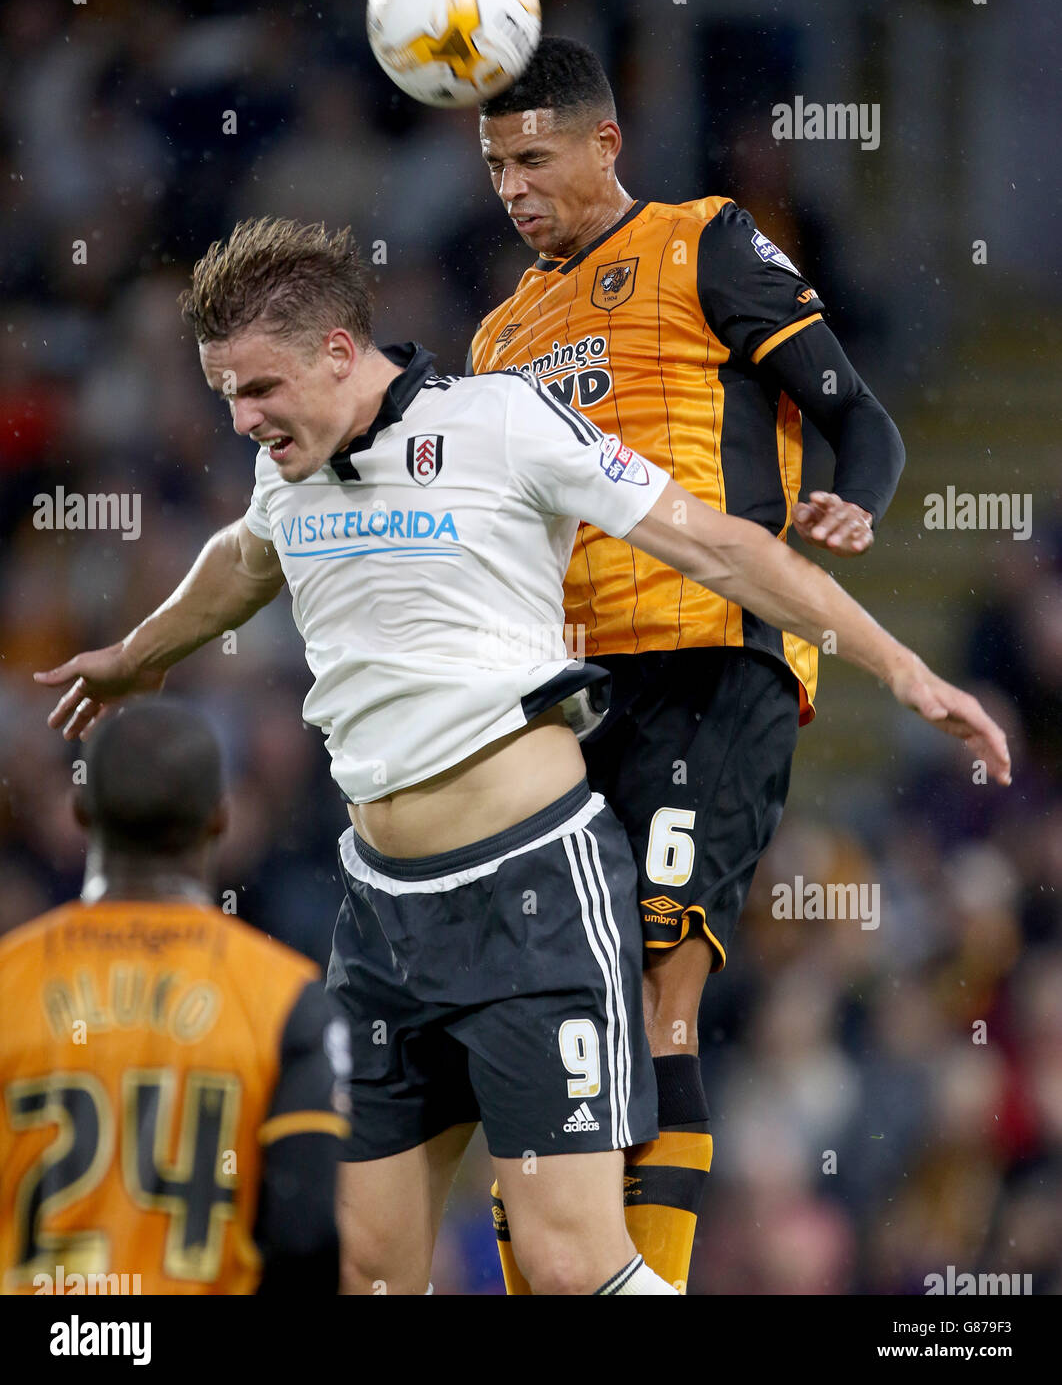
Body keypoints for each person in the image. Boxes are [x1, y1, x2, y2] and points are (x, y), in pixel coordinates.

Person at [35, 218, 1008, 1296]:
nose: (241, 417)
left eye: (259, 386)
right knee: (364, 1265)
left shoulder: (499, 422)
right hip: (380, 916)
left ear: (340, 354)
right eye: (225, 392)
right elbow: (240, 559)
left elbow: (718, 544)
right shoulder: (289, 471)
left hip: (528, 894)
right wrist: (136, 654)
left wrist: (901, 668)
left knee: (566, 1261)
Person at [470, 35, 909, 1290]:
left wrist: (855, 504)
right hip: (572, 697)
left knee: (662, 974)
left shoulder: (702, 241)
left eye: (534, 157)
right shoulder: (500, 336)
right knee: (554, 1011)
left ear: (606, 142)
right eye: (496, 163)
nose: (512, 186)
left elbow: (856, 416)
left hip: (718, 656)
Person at [0, 699, 349, 1296]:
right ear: (220, 817)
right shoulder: (285, 996)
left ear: (82, 811)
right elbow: (306, 1237)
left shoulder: (10, 979)